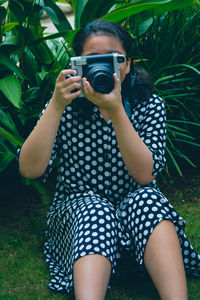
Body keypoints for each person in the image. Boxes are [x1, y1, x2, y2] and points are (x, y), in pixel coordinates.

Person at [18, 19, 200, 300]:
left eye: (113, 60)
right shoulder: (64, 103)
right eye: (93, 61)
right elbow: (30, 169)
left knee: (148, 198)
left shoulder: (148, 104)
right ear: (77, 65)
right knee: (95, 210)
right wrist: (55, 105)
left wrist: (117, 111)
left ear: (127, 65)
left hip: (138, 220)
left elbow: (145, 175)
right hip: (81, 216)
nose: (104, 69)